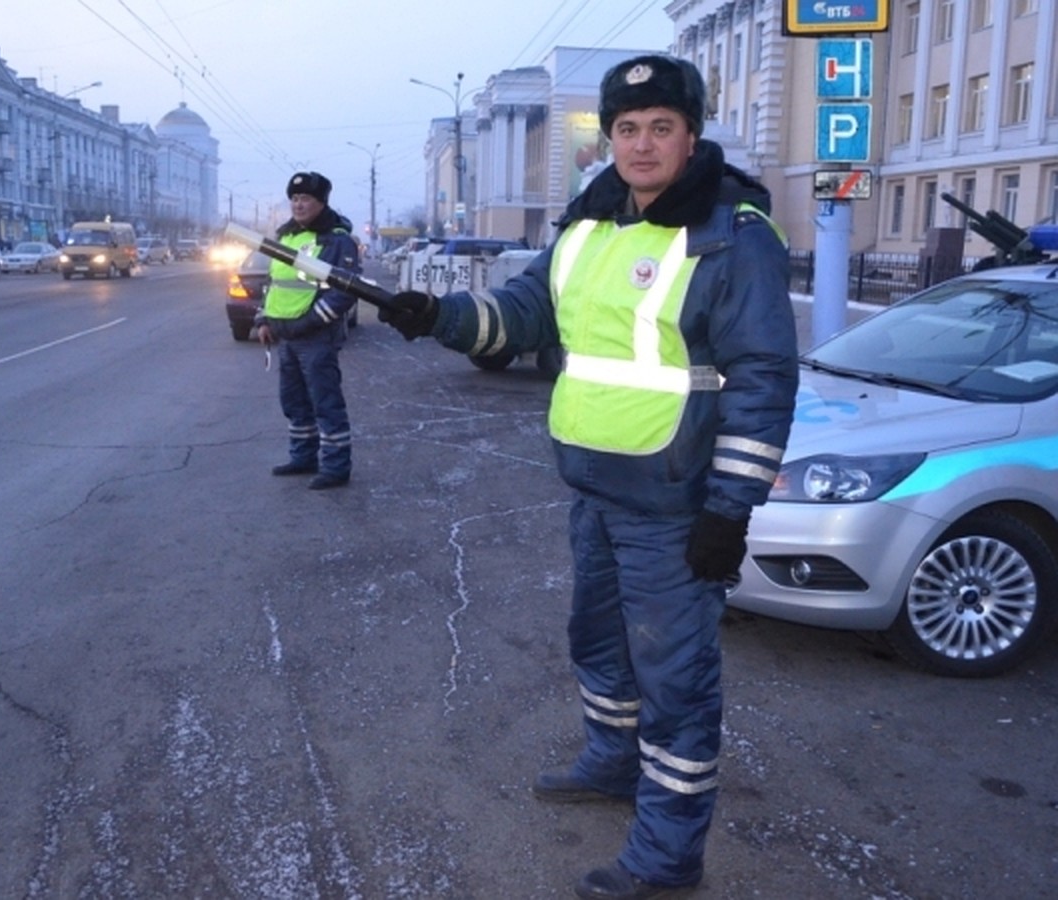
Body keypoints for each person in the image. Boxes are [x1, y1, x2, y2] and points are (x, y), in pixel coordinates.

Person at [377, 55, 799, 898]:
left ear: (691, 133)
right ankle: (612, 763)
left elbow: (763, 377)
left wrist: (730, 510)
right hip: (595, 491)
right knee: (599, 647)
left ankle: (668, 855)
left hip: (677, 506)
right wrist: (439, 316)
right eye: (627, 129)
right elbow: (526, 311)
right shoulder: (588, 223)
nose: (642, 146)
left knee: (675, 682)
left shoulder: (731, 233)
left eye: (660, 128)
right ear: (609, 139)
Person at [255, 171, 359, 490]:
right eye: (295, 199)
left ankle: (336, 467)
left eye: (306, 199)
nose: (299, 205)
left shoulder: (336, 239)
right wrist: (263, 319)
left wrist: (310, 321)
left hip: (316, 337)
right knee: (295, 402)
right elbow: (273, 283)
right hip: (287, 336)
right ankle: (303, 457)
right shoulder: (285, 237)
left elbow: (344, 291)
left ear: (321, 202)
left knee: (325, 403)